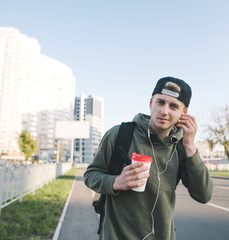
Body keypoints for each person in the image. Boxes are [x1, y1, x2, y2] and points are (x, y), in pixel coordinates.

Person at [84, 76, 213, 240]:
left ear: (184, 113)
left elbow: (204, 195)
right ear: (151, 102)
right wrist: (116, 182)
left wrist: (189, 146)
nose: (164, 111)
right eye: (161, 102)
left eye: (173, 106)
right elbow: (90, 175)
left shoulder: (182, 148)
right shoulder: (119, 134)